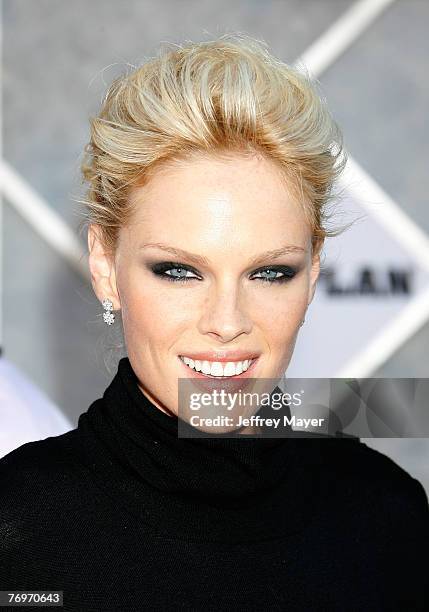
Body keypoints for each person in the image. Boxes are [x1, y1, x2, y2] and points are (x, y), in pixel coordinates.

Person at [0, 34, 428, 611]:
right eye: (179, 271)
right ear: (105, 266)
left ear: (315, 270)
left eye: (270, 273)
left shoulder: (387, 514)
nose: (227, 322)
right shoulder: (17, 525)